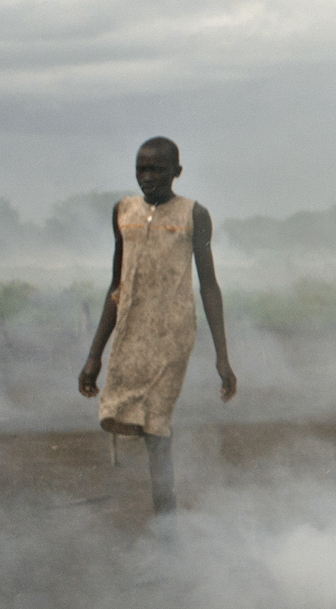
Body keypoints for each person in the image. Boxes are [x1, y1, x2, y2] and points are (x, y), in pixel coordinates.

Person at [77, 137, 237, 514]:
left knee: (157, 424)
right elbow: (117, 286)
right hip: (131, 332)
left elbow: (209, 286)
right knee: (127, 416)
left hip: (172, 333)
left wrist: (222, 357)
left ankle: (165, 518)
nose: (147, 178)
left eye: (157, 170)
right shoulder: (123, 212)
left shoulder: (193, 215)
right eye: (141, 169)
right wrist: (94, 355)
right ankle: (164, 508)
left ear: (176, 173)